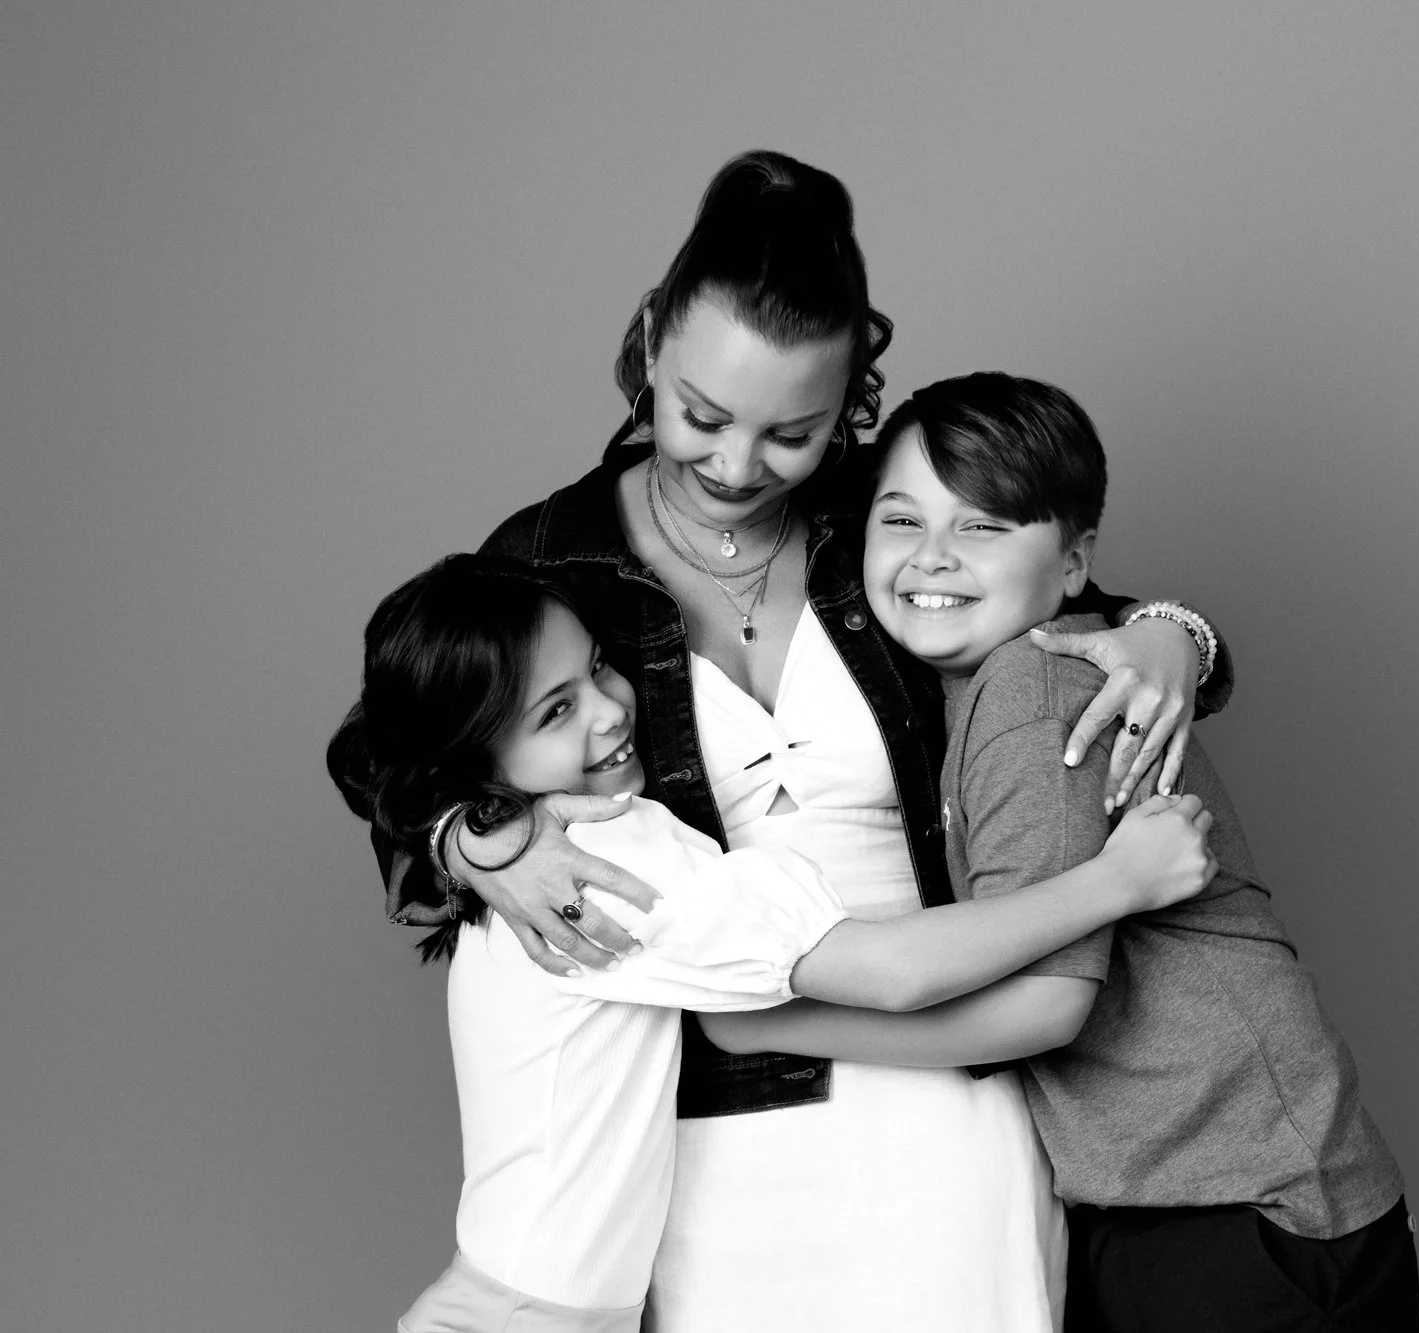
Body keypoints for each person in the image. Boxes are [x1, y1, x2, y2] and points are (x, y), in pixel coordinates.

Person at [372, 150, 1237, 1331]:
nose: (736, 467)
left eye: (792, 433)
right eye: (700, 416)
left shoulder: (884, 515)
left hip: (949, 1092)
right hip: (709, 1116)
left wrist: (1180, 637)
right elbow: (413, 756)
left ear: (849, 408)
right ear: (649, 346)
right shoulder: (544, 561)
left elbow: (1074, 617)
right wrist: (476, 841)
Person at [703, 373, 1419, 1332]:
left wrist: (767, 1026)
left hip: (1241, 1207)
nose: (933, 556)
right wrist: (1177, 631)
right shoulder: (991, 685)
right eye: (902, 520)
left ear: (1074, 561)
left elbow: (1045, 1007)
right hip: (1239, 1191)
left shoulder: (1029, 699)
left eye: (983, 526)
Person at [329, 554, 1215, 1332]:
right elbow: (895, 973)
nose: (608, 710)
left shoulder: (525, 847)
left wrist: (1173, 634)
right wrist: (1118, 882)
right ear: (469, 759)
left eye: (598, 666)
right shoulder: (597, 861)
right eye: (556, 711)